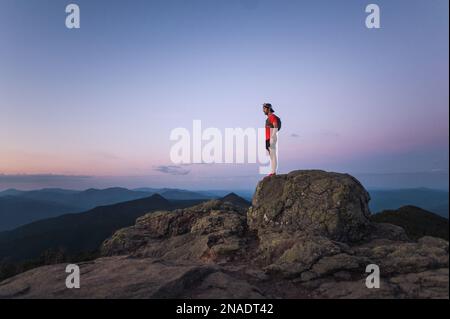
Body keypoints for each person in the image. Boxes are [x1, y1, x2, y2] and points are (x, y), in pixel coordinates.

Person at [263, 103, 280, 176]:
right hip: (268, 138)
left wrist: (272, 137)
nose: (263, 110)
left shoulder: (272, 117)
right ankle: (272, 171)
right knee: (271, 155)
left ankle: (273, 172)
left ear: (268, 108)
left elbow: (275, 126)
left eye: (264, 108)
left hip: (271, 138)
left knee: (273, 155)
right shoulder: (268, 119)